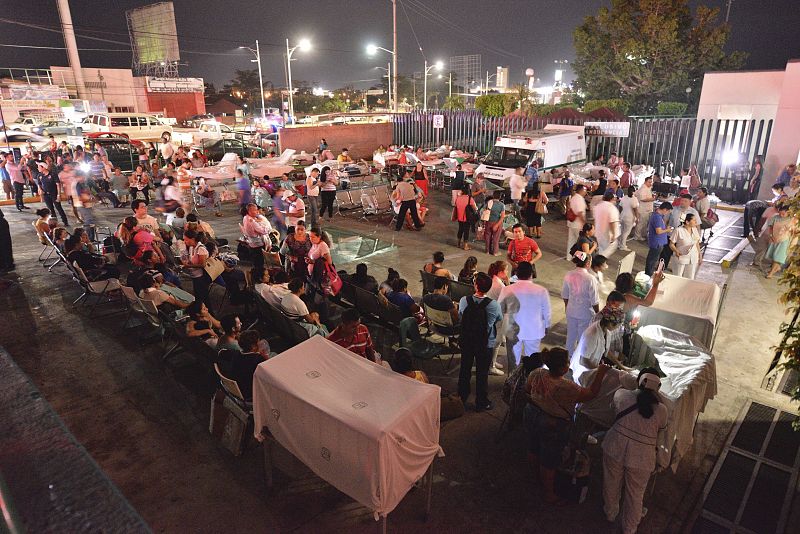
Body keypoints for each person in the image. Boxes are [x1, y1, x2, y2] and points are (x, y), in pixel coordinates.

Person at [524, 348, 610, 505]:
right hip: (552, 424)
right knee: (549, 460)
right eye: (567, 362)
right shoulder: (566, 386)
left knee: (533, 447)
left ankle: (534, 478)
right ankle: (548, 494)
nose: (569, 363)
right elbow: (590, 394)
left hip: (532, 413)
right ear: (563, 368)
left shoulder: (537, 373)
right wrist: (601, 372)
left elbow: (528, 389)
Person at [602, 369, 668, 534]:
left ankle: (610, 514)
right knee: (635, 495)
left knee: (611, 483)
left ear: (638, 381)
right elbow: (661, 433)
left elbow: (612, 410)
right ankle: (629, 528)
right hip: (642, 457)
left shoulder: (621, 395)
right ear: (658, 387)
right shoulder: (662, 410)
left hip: (614, 446)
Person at [458, 272, 502, 411]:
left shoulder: (464, 300)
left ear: (475, 285)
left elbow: (460, 316)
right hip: (485, 343)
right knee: (482, 373)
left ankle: (461, 397)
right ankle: (481, 402)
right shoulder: (494, 305)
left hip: (467, 341)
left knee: (465, 369)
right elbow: (499, 319)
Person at [498, 261, 550, 373]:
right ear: (531, 274)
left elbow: (500, 309)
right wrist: (546, 326)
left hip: (512, 331)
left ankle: (513, 381)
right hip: (534, 331)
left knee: (513, 362)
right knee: (533, 360)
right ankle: (531, 381)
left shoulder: (507, 289)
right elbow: (546, 312)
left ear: (516, 273)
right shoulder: (541, 291)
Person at [562, 251, 601, 356]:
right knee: (582, 338)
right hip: (585, 314)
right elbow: (594, 301)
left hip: (571, 311)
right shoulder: (590, 279)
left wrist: (567, 308)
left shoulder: (569, 274)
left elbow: (565, 295)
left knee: (570, 337)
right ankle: (578, 359)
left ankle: (567, 358)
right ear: (588, 263)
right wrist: (598, 314)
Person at [219, 329, 268, 402]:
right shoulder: (258, 360)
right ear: (253, 346)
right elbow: (269, 373)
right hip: (250, 394)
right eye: (258, 341)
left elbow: (221, 352)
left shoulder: (235, 354)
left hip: (237, 390)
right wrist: (265, 357)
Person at [662, 194, 699, 270]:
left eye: (685, 201)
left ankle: (676, 268)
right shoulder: (673, 209)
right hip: (671, 235)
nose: (682, 202)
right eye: (682, 200)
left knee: (680, 254)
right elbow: (665, 220)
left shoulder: (693, 212)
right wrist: (664, 231)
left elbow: (697, 225)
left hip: (684, 238)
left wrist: (696, 237)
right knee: (666, 253)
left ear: (690, 202)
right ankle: (662, 267)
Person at [181, 229, 212, 308]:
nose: (184, 241)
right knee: (198, 296)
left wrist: (188, 266)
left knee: (203, 298)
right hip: (195, 276)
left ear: (192, 239)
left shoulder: (201, 249)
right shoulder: (192, 247)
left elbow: (202, 264)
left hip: (201, 277)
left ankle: (209, 313)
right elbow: (193, 260)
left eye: (186, 239)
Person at [765, 204, 794, 279]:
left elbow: (794, 231)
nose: (781, 215)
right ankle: (776, 268)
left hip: (784, 240)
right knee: (773, 255)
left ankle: (771, 273)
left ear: (788, 212)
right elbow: (770, 227)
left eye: (783, 214)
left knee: (778, 257)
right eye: (780, 213)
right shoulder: (775, 217)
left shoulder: (791, 220)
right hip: (774, 239)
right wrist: (771, 236)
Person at [669, 212, 702, 279]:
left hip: (693, 257)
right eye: (694, 220)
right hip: (681, 257)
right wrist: (676, 251)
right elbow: (671, 244)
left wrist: (700, 255)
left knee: (690, 277)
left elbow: (697, 243)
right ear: (687, 222)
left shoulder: (695, 230)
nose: (696, 222)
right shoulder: (678, 230)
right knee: (678, 276)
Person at [645, 202, 674, 276]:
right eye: (668, 212)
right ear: (665, 209)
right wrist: (667, 230)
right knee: (652, 260)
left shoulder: (658, 216)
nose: (667, 214)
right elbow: (658, 231)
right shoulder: (657, 217)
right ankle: (648, 274)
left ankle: (649, 273)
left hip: (658, 242)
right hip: (657, 242)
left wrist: (665, 228)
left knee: (653, 259)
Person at [242, 203, 272, 272]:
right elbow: (264, 231)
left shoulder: (245, 217)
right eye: (255, 210)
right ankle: (259, 275)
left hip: (252, 243)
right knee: (259, 263)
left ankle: (257, 273)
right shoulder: (252, 221)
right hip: (257, 244)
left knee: (256, 262)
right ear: (249, 211)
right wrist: (268, 227)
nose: (257, 212)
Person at [37, 161, 68, 225]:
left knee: (59, 208)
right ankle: (54, 223)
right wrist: (41, 194)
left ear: (43, 168)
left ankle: (65, 221)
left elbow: (58, 184)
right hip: (46, 195)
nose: (38, 168)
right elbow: (39, 185)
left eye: (39, 167)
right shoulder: (39, 176)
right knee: (50, 209)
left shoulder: (52, 174)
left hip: (54, 194)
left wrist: (59, 195)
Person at [593, 190, 621, 257]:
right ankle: (600, 261)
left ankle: (600, 260)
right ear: (612, 199)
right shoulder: (611, 208)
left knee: (601, 249)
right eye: (614, 199)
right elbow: (612, 222)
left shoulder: (598, 206)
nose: (615, 201)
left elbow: (595, 219)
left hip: (599, 232)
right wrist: (614, 235)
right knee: (606, 251)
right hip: (607, 234)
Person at [566, 184, 588, 259]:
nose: (586, 192)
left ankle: (569, 257)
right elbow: (580, 213)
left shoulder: (574, 197)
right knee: (581, 242)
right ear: (581, 190)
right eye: (585, 190)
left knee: (571, 241)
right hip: (578, 224)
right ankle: (580, 258)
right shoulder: (580, 199)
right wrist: (584, 223)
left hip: (571, 223)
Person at [454, 184, 477, 250]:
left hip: (459, 217)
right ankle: (465, 246)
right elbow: (475, 208)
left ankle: (458, 244)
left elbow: (456, 205)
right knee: (466, 231)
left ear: (462, 191)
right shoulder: (470, 199)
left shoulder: (458, 198)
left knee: (460, 229)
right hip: (467, 218)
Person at [483, 191, 506, 255]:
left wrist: (484, 222)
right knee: (496, 238)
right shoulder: (502, 205)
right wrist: (497, 225)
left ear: (493, 196)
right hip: (497, 222)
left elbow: (485, 212)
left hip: (488, 222)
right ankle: (495, 252)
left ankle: (487, 251)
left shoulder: (489, 203)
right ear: (500, 197)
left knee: (487, 237)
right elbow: (502, 217)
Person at [618, 185, 640, 251]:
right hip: (629, 217)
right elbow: (635, 209)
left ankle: (619, 244)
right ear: (634, 191)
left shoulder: (624, 197)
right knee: (626, 232)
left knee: (622, 231)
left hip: (622, 216)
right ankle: (623, 246)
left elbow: (620, 206)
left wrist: (620, 214)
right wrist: (637, 218)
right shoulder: (634, 199)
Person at [634, 175, 655, 240]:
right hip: (643, 209)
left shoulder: (648, 188)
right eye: (649, 182)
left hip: (647, 209)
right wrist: (652, 199)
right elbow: (642, 199)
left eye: (651, 182)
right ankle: (637, 236)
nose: (650, 183)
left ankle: (642, 235)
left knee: (644, 223)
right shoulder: (643, 189)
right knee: (641, 223)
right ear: (645, 182)